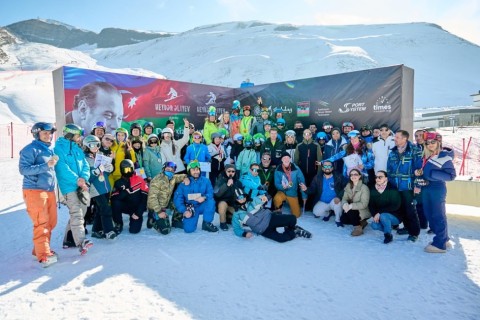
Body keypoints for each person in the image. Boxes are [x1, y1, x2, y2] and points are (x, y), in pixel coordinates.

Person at [19, 122, 59, 267]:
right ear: (37, 134)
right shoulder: (30, 149)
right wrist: (46, 165)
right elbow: (23, 169)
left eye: (50, 133)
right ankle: (44, 255)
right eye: (45, 133)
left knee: (51, 222)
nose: (48, 136)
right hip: (34, 190)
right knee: (41, 222)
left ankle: (39, 250)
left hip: (49, 190)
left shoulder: (49, 150)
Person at [54, 124, 93, 255]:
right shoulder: (59, 148)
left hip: (81, 185)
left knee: (83, 211)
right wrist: (77, 179)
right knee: (76, 213)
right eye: (77, 135)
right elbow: (62, 168)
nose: (79, 137)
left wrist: (83, 178)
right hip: (69, 186)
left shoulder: (77, 149)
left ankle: (68, 240)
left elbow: (85, 165)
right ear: (70, 135)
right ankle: (81, 242)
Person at [414, 132, 456, 253]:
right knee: (429, 214)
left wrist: (431, 175)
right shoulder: (426, 156)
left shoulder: (444, 157)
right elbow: (419, 170)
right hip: (426, 188)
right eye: (428, 143)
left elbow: (451, 176)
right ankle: (443, 238)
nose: (430, 144)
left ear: (438, 142)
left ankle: (440, 244)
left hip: (437, 188)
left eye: (433, 142)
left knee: (438, 215)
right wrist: (418, 175)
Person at [387, 129, 422, 242]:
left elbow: (419, 170)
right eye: (395, 137)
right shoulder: (392, 151)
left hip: (408, 186)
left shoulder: (414, 151)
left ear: (404, 138)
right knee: (401, 208)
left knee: (410, 209)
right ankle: (406, 227)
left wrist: (417, 185)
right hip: (395, 186)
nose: (395, 139)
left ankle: (414, 233)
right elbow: (389, 169)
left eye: (397, 137)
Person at [232, 192, 312, 242]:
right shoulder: (237, 215)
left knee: (292, 219)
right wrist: (244, 234)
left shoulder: (253, 201)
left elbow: (263, 197)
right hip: (262, 230)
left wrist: (265, 197)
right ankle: (295, 232)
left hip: (270, 218)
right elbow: (236, 228)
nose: (242, 199)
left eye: (243, 196)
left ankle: (292, 227)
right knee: (281, 239)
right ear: (236, 199)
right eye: (239, 198)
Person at [82, 135, 117, 240]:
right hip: (95, 188)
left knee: (99, 209)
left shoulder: (100, 155)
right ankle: (109, 230)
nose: (96, 147)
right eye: (92, 145)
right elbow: (86, 176)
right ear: (87, 146)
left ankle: (96, 230)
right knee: (106, 209)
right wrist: (96, 171)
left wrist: (109, 167)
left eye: (97, 144)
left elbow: (106, 171)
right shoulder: (85, 159)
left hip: (105, 186)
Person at [173, 161, 218, 233]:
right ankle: (179, 221)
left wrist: (204, 197)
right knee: (189, 229)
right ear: (189, 171)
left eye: (197, 169)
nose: (196, 172)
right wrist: (184, 211)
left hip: (202, 205)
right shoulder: (184, 183)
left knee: (210, 202)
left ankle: (206, 223)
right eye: (193, 170)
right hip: (190, 208)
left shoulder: (206, 181)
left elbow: (211, 193)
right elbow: (178, 199)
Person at [146, 161, 189, 234]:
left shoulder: (172, 177)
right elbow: (152, 198)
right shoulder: (157, 180)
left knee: (179, 203)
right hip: (156, 207)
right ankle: (152, 219)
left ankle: (176, 221)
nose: (170, 170)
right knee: (166, 230)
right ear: (163, 168)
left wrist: (185, 178)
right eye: (168, 169)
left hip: (166, 202)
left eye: (172, 169)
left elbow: (179, 176)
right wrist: (159, 212)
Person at [110, 159, 149, 234]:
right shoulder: (118, 182)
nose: (128, 172)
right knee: (115, 203)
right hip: (126, 206)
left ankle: (134, 219)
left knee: (134, 231)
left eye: (129, 169)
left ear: (133, 169)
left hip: (136, 208)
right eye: (125, 170)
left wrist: (138, 213)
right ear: (121, 170)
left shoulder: (140, 179)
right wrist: (125, 192)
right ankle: (118, 223)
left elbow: (144, 198)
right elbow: (114, 198)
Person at [306, 160, 344, 227]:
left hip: (334, 200)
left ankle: (338, 219)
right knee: (316, 212)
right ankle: (328, 214)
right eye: (325, 166)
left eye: (329, 166)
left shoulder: (338, 176)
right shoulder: (317, 177)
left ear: (332, 168)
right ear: (322, 168)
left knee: (338, 204)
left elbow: (346, 187)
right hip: (322, 201)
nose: (327, 167)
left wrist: (339, 197)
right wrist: (305, 189)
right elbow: (312, 189)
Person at [369, 170, 402, 244]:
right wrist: (375, 215)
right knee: (374, 225)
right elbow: (371, 205)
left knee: (384, 216)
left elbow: (395, 205)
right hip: (380, 216)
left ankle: (388, 235)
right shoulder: (373, 189)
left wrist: (380, 213)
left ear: (386, 179)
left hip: (395, 216)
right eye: (376, 177)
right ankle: (388, 227)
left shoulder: (392, 188)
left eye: (380, 177)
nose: (377, 179)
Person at [273, 151, 307, 218]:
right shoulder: (278, 169)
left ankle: (292, 204)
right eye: (284, 158)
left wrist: (304, 196)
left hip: (292, 193)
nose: (286, 159)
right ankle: (278, 209)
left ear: (290, 159)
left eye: (287, 158)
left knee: (296, 215)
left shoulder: (296, 169)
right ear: (281, 160)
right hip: (282, 191)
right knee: (277, 198)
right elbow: (276, 183)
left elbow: (302, 182)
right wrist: (282, 187)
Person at [340, 168, 371, 236]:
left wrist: (350, 206)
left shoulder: (364, 188)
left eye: (355, 174)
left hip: (362, 210)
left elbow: (364, 204)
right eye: (351, 175)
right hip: (352, 208)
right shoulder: (348, 186)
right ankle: (362, 222)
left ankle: (358, 227)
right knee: (343, 220)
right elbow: (344, 198)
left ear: (360, 176)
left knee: (351, 210)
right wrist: (345, 204)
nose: (353, 176)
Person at [214, 164, 244, 231]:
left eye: (233, 171)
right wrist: (226, 185)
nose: (231, 173)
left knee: (241, 217)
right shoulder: (220, 180)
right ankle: (223, 223)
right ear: (225, 171)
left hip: (233, 204)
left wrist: (241, 199)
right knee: (222, 204)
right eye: (229, 171)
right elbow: (217, 194)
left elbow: (241, 194)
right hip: (222, 203)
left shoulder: (238, 182)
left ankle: (229, 218)